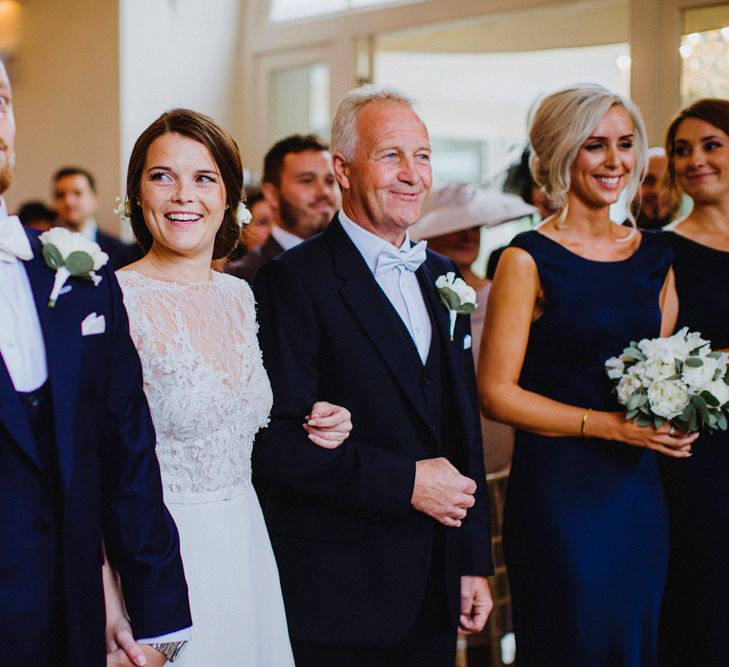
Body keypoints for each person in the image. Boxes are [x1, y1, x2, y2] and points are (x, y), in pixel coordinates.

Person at [253, 85, 493, 667]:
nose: (412, 174)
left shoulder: (442, 275)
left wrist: (470, 560)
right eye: (391, 155)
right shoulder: (294, 282)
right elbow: (272, 442)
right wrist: (405, 482)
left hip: (434, 585)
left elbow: (463, 426)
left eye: (423, 156)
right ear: (343, 169)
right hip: (340, 592)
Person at [104, 108, 353, 667]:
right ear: (137, 194)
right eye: (162, 176)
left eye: (203, 178)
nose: (182, 196)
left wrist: (319, 420)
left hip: (244, 544)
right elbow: (89, 465)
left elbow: (239, 417)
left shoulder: (239, 297)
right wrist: (110, 603)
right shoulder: (113, 300)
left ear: (228, 196)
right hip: (158, 557)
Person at [478, 83, 697, 666]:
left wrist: (688, 406)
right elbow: (496, 394)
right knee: (569, 639)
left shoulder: (657, 257)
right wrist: (610, 426)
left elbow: (665, 368)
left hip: (639, 491)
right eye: (595, 145)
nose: (615, 161)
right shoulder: (525, 258)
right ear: (559, 153)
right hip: (559, 493)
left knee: (634, 639)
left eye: (625, 144)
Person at [0, 61, 191, 667]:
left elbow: (126, 448)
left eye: (1, 99)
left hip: (75, 622)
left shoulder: (73, 275)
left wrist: (157, 622)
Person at [658, 98, 729, 666]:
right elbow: (655, 360)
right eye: (683, 150)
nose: (695, 160)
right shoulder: (664, 251)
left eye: (711, 145)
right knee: (708, 607)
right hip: (706, 456)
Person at [412, 182, 534, 473]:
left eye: (474, 226)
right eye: (455, 226)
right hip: (441, 458)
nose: (467, 235)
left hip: (509, 453)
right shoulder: (414, 298)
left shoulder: (507, 295)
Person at [226, 134, 338, 282]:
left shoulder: (350, 259)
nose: (324, 191)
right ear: (272, 194)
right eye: (307, 180)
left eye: (330, 181)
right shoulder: (244, 276)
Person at [53, 166, 142, 268]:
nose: (69, 201)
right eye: (60, 195)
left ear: (94, 199)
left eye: (77, 193)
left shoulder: (122, 252)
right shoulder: (41, 246)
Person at [632, 147, 675, 229]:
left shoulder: (694, 238)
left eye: (668, 182)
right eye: (648, 181)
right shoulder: (614, 239)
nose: (658, 191)